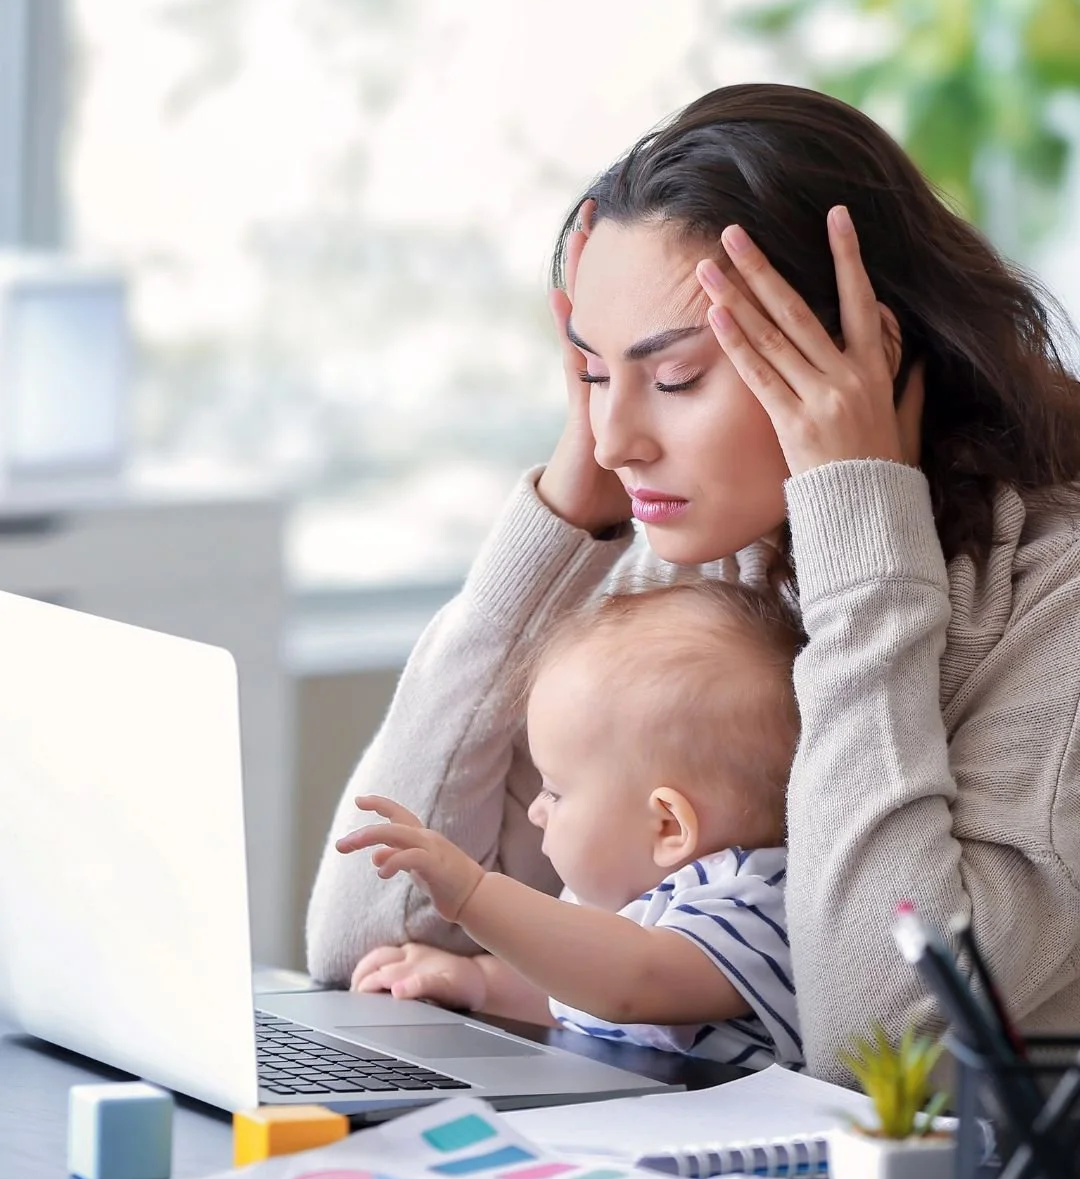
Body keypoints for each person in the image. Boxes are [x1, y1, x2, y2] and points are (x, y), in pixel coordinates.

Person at [306, 82, 1080, 1087]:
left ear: (863, 358)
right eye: (591, 374)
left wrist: (861, 537)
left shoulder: (1051, 593)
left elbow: (882, 1043)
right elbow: (368, 939)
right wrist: (558, 521)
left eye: (674, 379)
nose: (619, 438)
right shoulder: (717, 544)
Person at [338, 579, 804, 1072]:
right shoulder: (621, 914)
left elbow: (631, 984)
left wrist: (475, 896)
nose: (536, 811)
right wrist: (477, 981)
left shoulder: (754, 901)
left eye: (554, 791)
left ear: (667, 826)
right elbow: (577, 994)